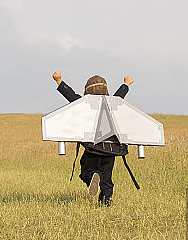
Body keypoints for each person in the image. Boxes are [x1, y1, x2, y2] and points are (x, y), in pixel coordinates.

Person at [52, 71, 134, 206]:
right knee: (107, 179)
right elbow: (120, 95)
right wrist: (126, 83)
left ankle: (93, 176)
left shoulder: (84, 105)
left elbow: (70, 96)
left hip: (93, 148)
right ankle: (106, 202)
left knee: (86, 171)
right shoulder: (113, 104)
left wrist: (59, 80)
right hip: (111, 150)